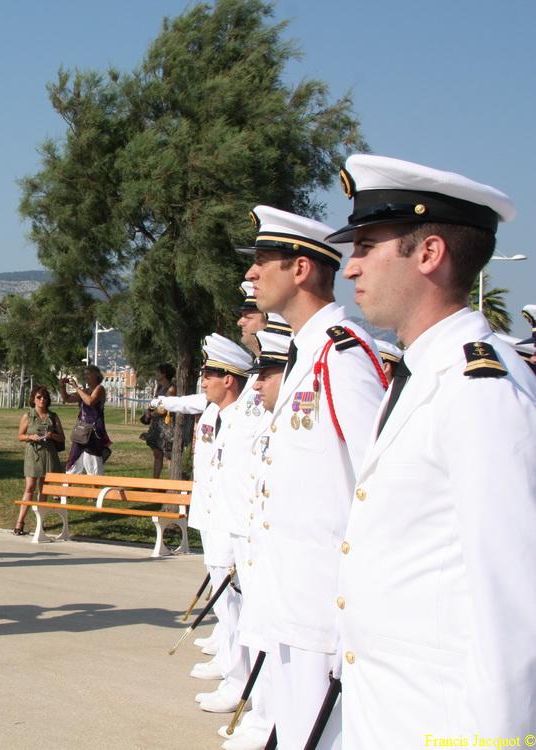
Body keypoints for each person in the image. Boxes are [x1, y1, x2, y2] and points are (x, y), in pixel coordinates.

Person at [331, 155, 536, 746]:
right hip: (391, 709)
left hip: (443, 721)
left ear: (429, 254)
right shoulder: (424, 374)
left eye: (367, 245)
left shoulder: (480, 391)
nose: (351, 269)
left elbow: (514, 602)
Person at [239, 206, 386, 749]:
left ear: (300, 269)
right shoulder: (309, 351)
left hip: (324, 602)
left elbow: (379, 481)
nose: (251, 275)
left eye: (261, 261)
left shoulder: (341, 353)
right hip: (291, 596)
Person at [221, 326, 292, 750]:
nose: (257, 382)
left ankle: (267, 716)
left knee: (271, 635)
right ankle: (260, 709)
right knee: (255, 623)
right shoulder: (261, 414)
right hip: (252, 532)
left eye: (267, 372)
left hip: (275, 545)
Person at [186, 334, 253, 718]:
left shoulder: (244, 418)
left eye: (210, 372)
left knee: (235, 607)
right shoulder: (218, 414)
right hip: (214, 517)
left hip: (232, 524)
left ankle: (239, 680)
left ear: (230, 378)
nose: (203, 379)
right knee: (226, 607)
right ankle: (232, 671)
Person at [13, 384, 65, 535]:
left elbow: (62, 437)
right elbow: (20, 436)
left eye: (45, 397)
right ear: (33, 399)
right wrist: (31, 437)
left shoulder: (53, 416)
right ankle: (20, 522)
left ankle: (40, 523)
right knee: (30, 487)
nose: (42, 400)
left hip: (49, 454)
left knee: (44, 489)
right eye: (39, 397)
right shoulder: (28, 416)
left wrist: (52, 435)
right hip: (33, 454)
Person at [60, 364, 110, 475]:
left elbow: (90, 401)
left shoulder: (100, 389)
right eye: (85, 374)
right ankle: (66, 489)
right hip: (82, 431)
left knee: (93, 464)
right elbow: (67, 399)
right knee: (74, 460)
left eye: (88, 374)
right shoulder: (85, 391)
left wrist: (77, 388)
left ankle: (95, 489)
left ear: (96, 375)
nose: (86, 377)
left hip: (94, 432)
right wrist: (62, 386)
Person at [142, 364, 176, 478]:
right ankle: (155, 482)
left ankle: (172, 483)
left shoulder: (171, 389)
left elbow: (165, 409)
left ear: (164, 373)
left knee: (169, 455)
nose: (156, 374)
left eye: (158, 372)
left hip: (167, 426)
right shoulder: (159, 388)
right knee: (157, 454)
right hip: (157, 425)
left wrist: (151, 414)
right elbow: (155, 405)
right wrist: (148, 412)